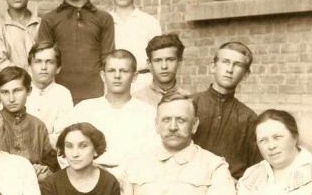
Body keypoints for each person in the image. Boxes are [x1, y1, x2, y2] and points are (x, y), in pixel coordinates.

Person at [67, 49, 157, 181]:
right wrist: (88, 174)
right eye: (111, 71)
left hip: (134, 181)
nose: (117, 76)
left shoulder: (148, 113)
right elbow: (64, 150)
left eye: (124, 71)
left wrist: (122, 177)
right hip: (88, 181)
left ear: (134, 76)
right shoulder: (84, 109)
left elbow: (153, 154)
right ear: (103, 75)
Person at [37, 0, 115, 103]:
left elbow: (108, 60)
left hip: (95, 96)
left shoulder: (104, 18)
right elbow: (44, 61)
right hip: (60, 97)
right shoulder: (50, 19)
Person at [192, 42, 262, 179]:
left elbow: (256, 168)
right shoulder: (190, 104)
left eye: (238, 65)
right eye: (225, 62)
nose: (229, 69)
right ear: (213, 66)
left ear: (246, 74)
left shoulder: (249, 118)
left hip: (229, 186)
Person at [0, 66, 59, 181]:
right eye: (5, 92)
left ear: (29, 91)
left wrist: (43, 168)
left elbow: (50, 163)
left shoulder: (38, 126)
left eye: (17, 91)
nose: (11, 99)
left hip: (33, 184)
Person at [107, 0, 162, 90]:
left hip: (143, 85)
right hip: (111, 86)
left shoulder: (150, 22)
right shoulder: (104, 21)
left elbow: (158, 60)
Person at [24, 42, 73, 148]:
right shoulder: (19, 91)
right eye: (38, 62)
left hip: (52, 151)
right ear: (29, 67)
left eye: (50, 62)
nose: (43, 67)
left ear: (58, 68)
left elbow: (63, 131)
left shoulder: (63, 94)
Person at [133, 33, 189, 107]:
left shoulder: (189, 100)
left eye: (170, 59)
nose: (164, 66)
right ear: (149, 64)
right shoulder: (136, 100)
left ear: (179, 62)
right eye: (158, 60)